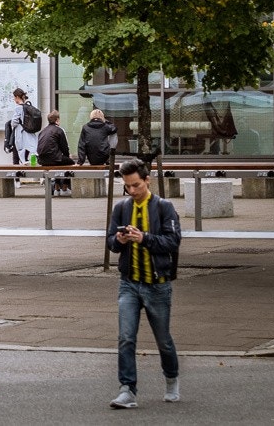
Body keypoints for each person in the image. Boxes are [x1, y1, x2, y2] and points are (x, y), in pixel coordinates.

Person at [108, 158, 182, 409]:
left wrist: (145, 238)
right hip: (129, 283)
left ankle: (171, 379)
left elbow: (173, 242)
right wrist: (120, 240)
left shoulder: (164, 207)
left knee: (163, 340)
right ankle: (127, 389)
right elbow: (110, 243)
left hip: (157, 284)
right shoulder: (121, 207)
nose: (132, 191)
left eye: (136, 185)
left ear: (147, 180)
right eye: (128, 186)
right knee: (126, 337)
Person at [37, 109, 74, 196]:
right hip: (54, 158)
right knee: (69, 163)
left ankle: (57, 188)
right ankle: (64, 188)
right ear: (57, 120)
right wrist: (68, 157)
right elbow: (65, 148)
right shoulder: (59, 130)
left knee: (59, 163)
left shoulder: (43, 131)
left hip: (42, 160)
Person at [9, 88, 39, 164]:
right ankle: (32, 170)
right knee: (28, 156)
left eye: (14, 97)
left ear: (17, 97)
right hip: (29, 135)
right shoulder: (28, 107)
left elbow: (13, 123)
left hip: (20, 135)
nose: (14, 99)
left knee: (16, 157)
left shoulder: (18, 108)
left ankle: (16, 174)